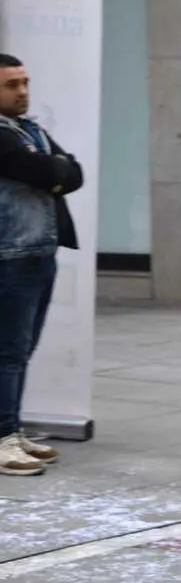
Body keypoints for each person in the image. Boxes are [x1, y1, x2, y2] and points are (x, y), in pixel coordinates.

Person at [0, 53, 83, 476]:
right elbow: (33, 167)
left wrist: (53, 171)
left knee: (22, 349)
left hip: (39, 253)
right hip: (10, 255)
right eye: (12, 84)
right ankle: (2, 438)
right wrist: (52, 171)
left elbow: (74, 172)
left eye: (25, 82)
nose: (23, 91)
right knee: (9, 351)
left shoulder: (30, 129)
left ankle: (11, 429)